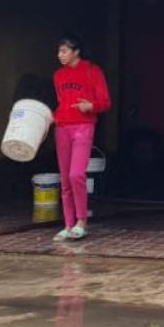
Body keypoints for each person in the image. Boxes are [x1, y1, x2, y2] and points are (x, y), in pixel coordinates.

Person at [51, 35, 110, 241]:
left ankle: (82, 221)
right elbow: (61, 103)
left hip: (83, 126)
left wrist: (90, 106)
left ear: (76, 51)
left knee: (77, 174)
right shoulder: (58, 75)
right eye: (59, 52)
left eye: (64, 51)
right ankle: (68, 224)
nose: (60, 55)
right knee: (65, 177)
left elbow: (105, 101)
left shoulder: (92, 70)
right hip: (62, 127)